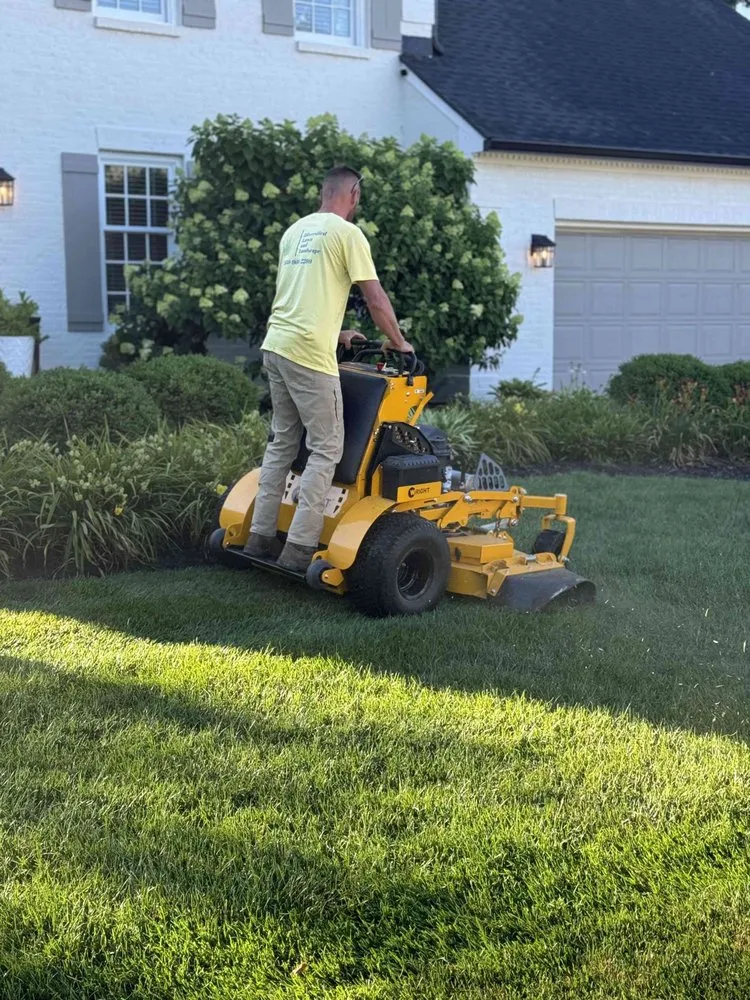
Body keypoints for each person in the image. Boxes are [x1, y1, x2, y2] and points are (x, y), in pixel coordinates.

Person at [245, 164, 414, 573]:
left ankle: (259, 536)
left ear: (324, 192)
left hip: (277, 345)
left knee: (283, 442)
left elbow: (299, 299)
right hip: (307, 355)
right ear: (353, 194)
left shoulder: (294, 232)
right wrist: (398, 342)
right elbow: (375, 299)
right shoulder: (347, 233)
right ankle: (299, 548)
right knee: (326, 448)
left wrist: (337, 333)